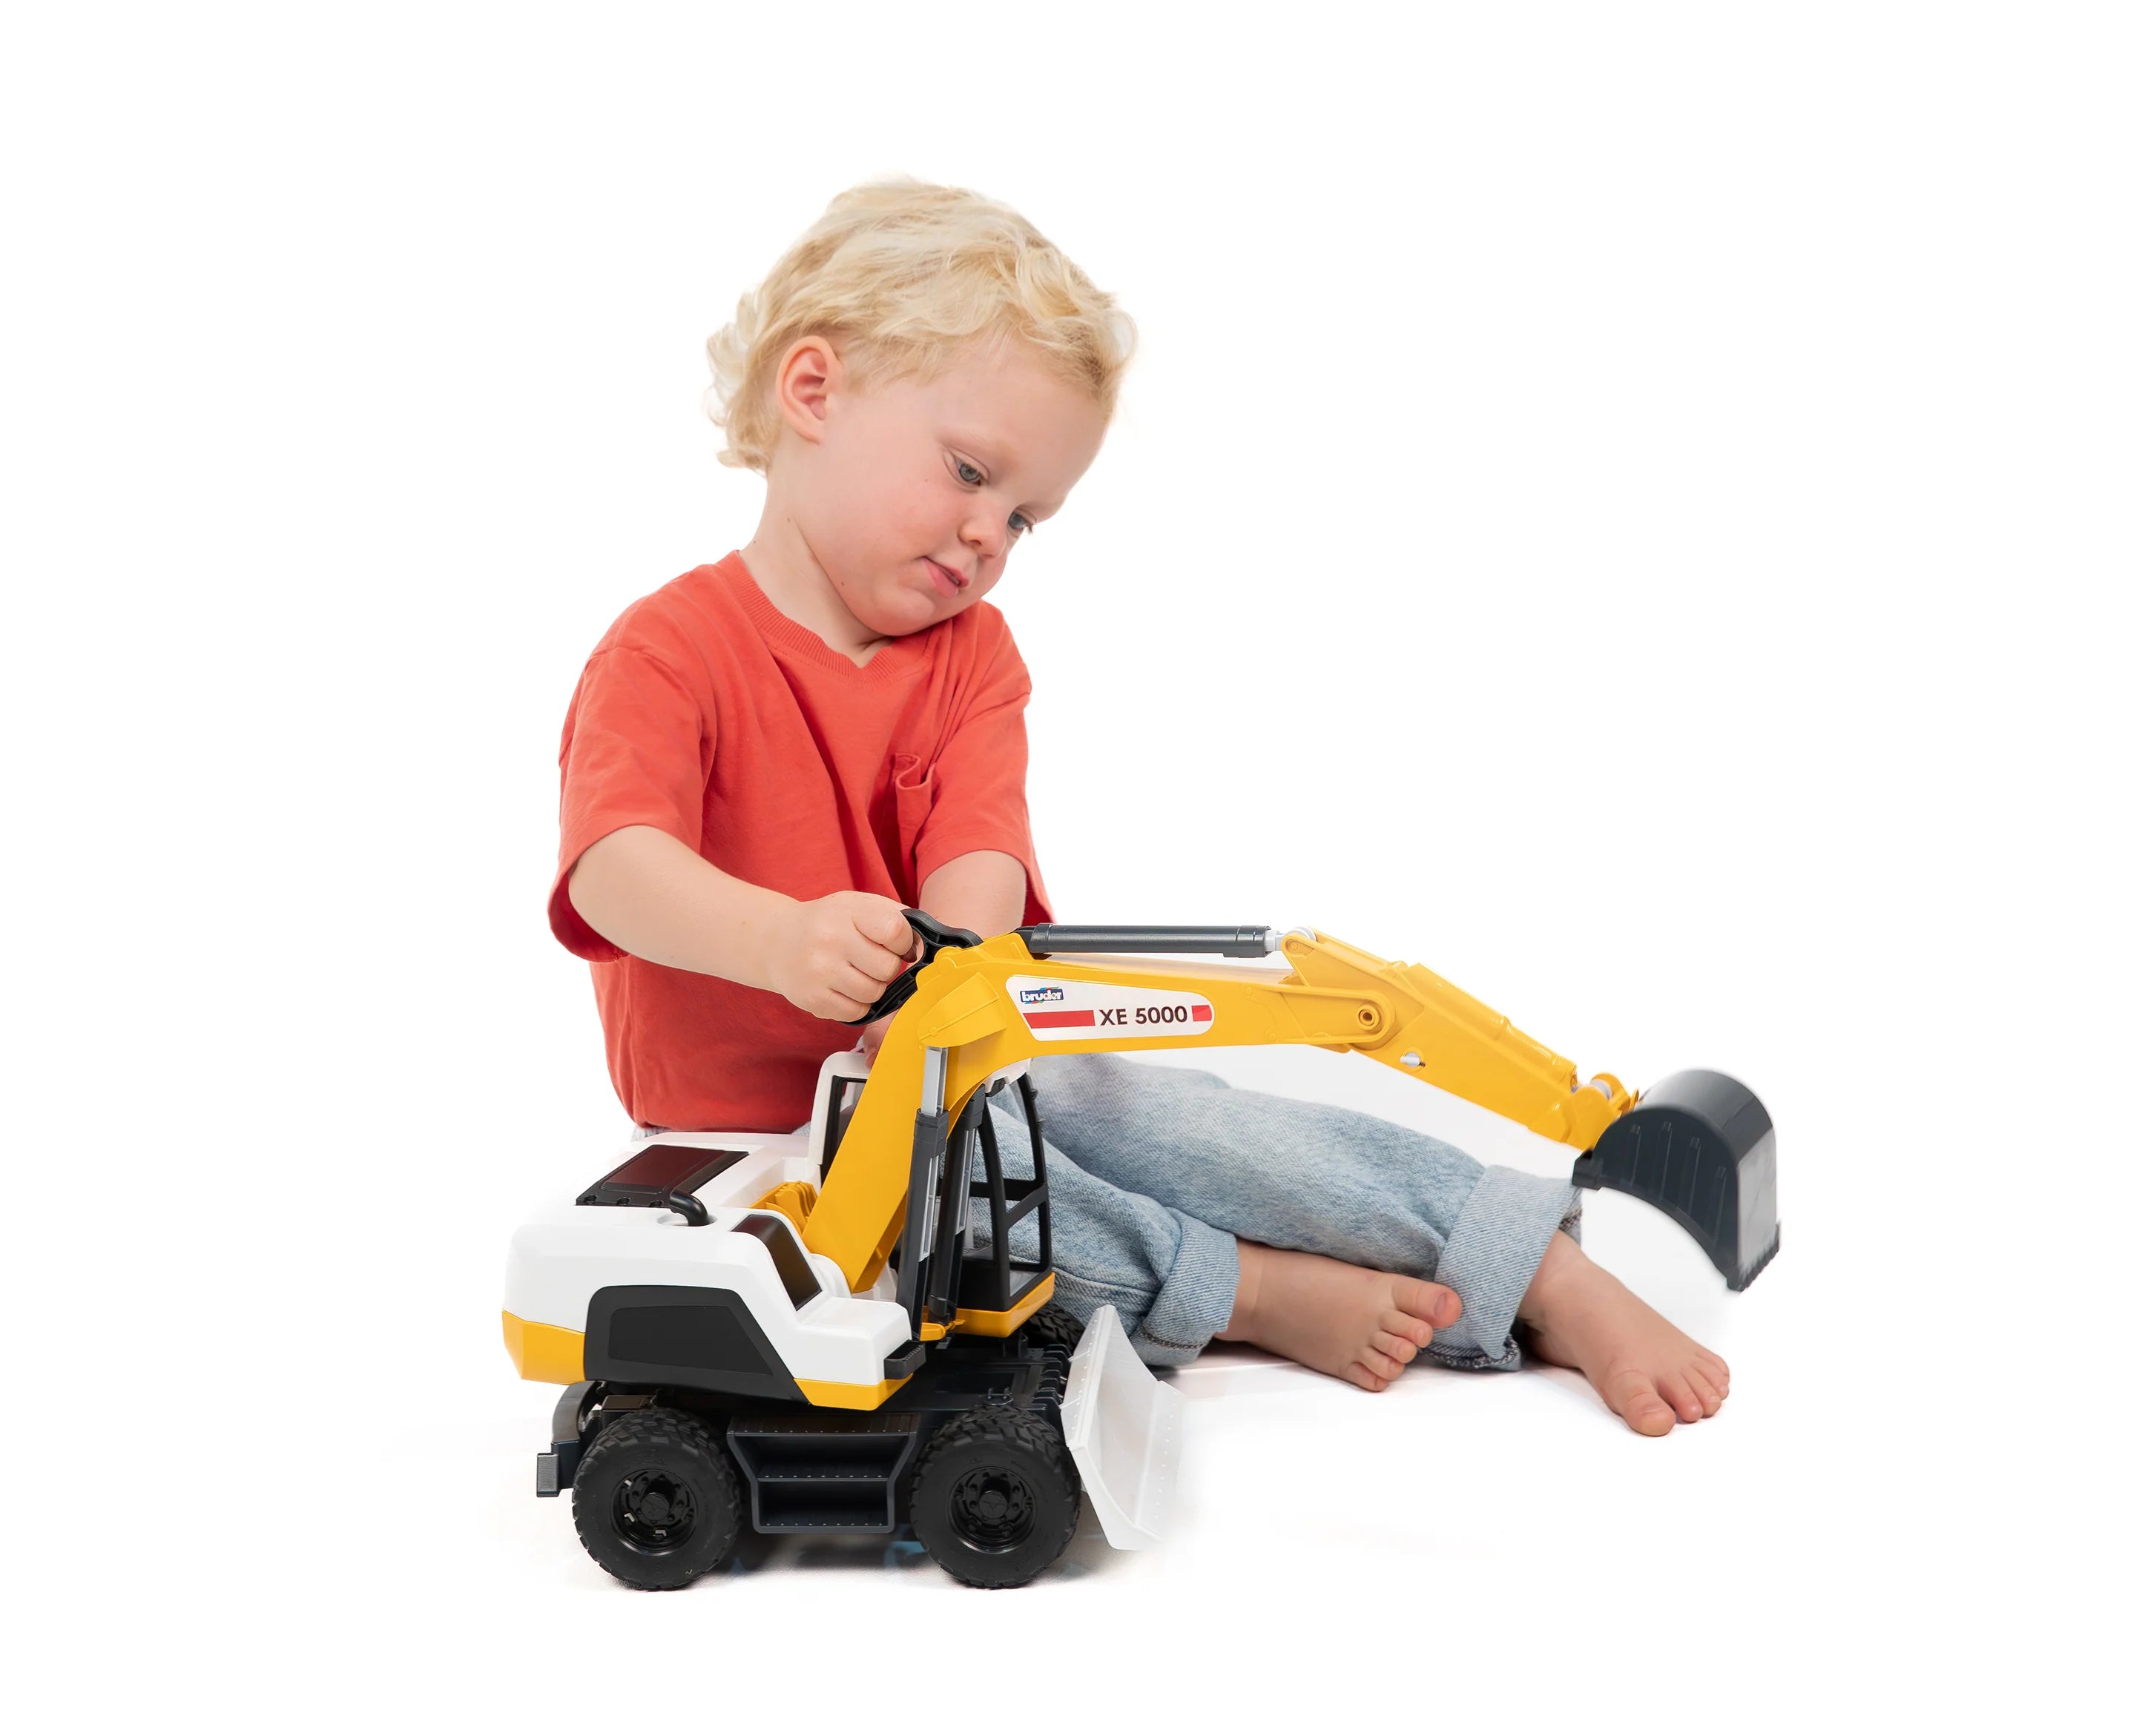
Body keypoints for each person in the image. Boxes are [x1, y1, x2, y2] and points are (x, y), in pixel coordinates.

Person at [550, 180, 1729, 1436]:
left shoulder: (971, 658)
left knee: (1182, 1123)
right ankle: (1253, 1291)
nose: (988, 533)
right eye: (969, 471)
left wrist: (943, 996)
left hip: (948, 1071)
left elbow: (978, 852)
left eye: (1023, 517)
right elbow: (614, 868)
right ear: (813, 390)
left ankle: (1535, 1262)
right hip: (755, 1140)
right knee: (994, 1234)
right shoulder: (666, 652)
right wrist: (778, 940)